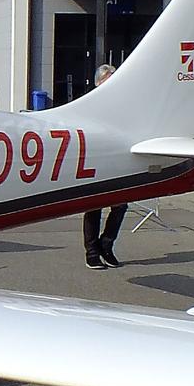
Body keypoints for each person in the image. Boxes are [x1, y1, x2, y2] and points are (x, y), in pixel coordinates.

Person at [82, 64, 126, 269]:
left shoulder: (121, 105)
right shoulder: (89, 104)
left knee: (121, 204)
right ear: (98, 83)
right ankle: (92, 253)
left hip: (117, 159)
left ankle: (106, 244)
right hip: (96, 159)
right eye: (108, 81)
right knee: (94, 206)